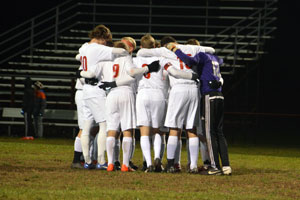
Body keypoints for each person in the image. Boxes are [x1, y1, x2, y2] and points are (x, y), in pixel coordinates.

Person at [167, 43, 232, 175]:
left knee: (209, 133)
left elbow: (190, 61)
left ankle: (214, 166)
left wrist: (176, 50)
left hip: (209, 96)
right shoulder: (214, 58)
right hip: (220, 95)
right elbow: (220, 62)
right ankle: (226, 165)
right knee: (219, 132)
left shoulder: (202, 55)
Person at [133, 34, 168, 172]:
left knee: (144, 132)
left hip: (142, 94)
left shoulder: (136, 60)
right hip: (158, 94)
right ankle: (157, 157)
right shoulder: (161, 58)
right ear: (155, 46)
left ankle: (148, 164)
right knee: (157, 131)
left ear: (141, 47)